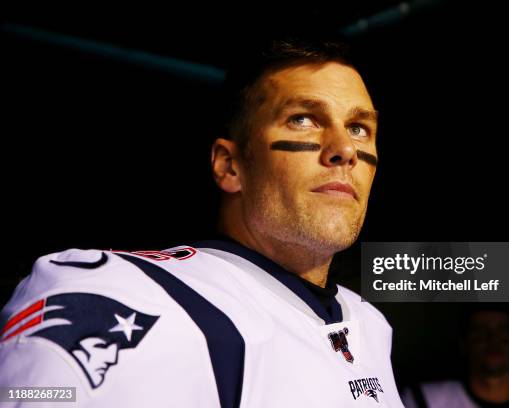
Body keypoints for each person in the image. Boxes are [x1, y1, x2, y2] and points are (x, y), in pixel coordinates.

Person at [0, 36, 404, 407]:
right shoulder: (127, 294)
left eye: (358, 127)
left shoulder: (369, 323)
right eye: (303, 119)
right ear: (230, 166)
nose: (345, 149)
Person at [401, 307, 509, 408]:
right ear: (464, 344)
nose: (493, 341)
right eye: (480, 332)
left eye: (502, 332)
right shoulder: (425, 399)